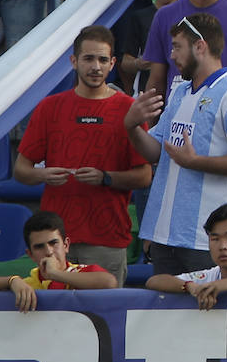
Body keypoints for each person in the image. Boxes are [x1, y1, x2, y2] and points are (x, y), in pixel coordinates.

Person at [126, 13, 227, 276]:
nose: (172, 55)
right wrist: (132, 126)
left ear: (200, 46)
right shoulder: (179, 92)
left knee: (209, 313)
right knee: (169, 315)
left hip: (207, 238)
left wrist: (196, 162)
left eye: (177, 47)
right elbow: (156, 151)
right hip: (165, 234)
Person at [13, 28, 153, 284]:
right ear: (74, 61)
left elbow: (145, 176)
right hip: (53, 241)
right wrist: (41, 174)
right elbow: (21, 170)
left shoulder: (127, 109)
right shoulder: (50, 107)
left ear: (113, 63)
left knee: (104, 320)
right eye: (88, 58)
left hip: (106, 238)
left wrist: (105, 178)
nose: (95, 67)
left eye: (102, 60)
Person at [0, 211, 119, 307]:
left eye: (53, 243)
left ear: (66, 245)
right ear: (30, 254)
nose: (49, 251)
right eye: (39, 247)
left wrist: (55, 274)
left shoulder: (83, 273)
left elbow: (110, 283)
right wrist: (12, 280)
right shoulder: (27, 285)